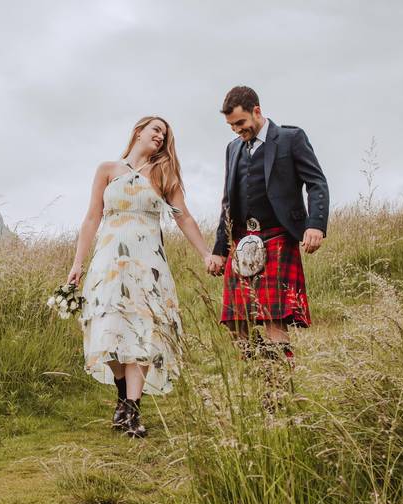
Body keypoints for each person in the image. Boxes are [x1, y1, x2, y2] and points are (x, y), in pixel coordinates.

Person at [68, 116, 218, 437]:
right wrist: (78, 263)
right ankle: (123, 397)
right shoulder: (107, 170)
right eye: (156, 130)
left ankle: (132, 410)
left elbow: (185, 218)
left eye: (165, 135)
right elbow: (92, 218)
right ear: (139, 131)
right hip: (108, 262)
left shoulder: (164, 174)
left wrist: (206, 253)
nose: (161, 137)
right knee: (108, 329)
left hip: (147, 265)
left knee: (144, 332)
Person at [205, 86, 329, 362]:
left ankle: (280, 383)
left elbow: (316, 182)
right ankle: (259, 370)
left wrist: (316, 224)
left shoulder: (290, 138)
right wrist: (219, 250)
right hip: (240, 241)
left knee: (274, 316)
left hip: (278, 236)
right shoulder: (233, 148)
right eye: (231, 125)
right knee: (235, 320)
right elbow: (227, 202)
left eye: (240, 123)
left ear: (257, 111)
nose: (236, 130)